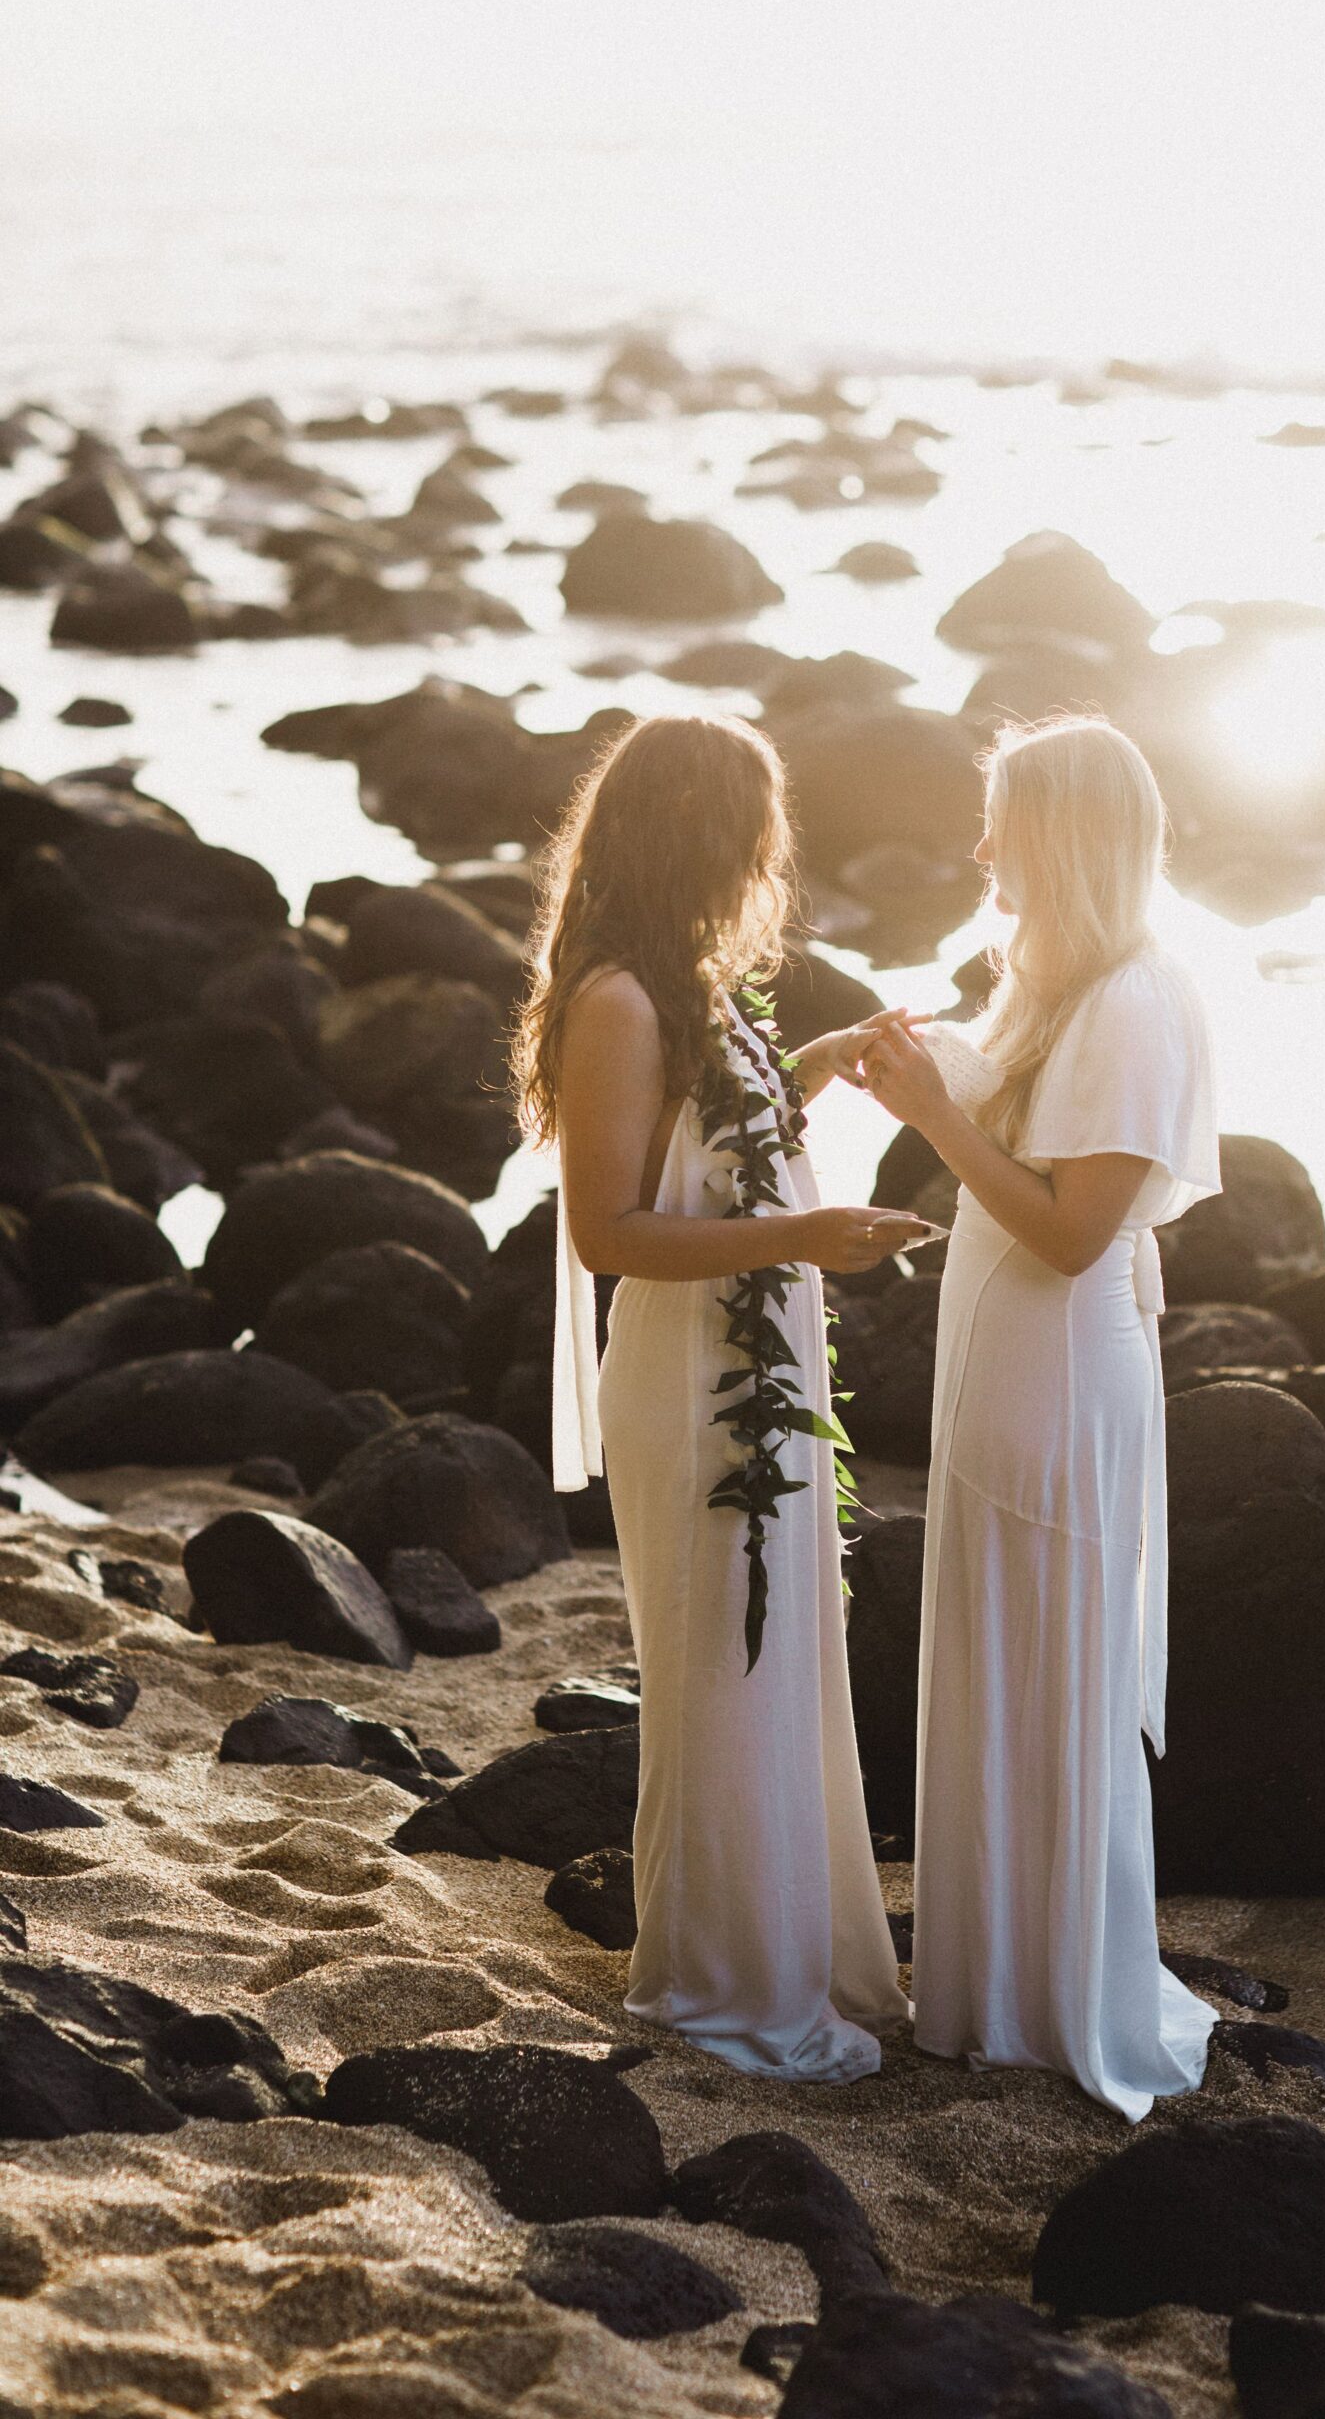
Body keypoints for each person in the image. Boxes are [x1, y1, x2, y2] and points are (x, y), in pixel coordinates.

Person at [513, 708, 926, 2083]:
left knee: (777, 1654)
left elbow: (715, 1152)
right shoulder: (620, 1000)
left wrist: (817, 1066)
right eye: (755, 820)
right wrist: (804, 1241)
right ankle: (718, 1986)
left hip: (757, 1367)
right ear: (699, 829)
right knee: (725, 1668)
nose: (772, 848)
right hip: (694, 1385)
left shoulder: (690, 987)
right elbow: (613, 1233)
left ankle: (783, 1948)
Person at [861, 713, 1222, 2119]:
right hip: (1020, 1364)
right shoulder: (1063, 986)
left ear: (1060, 833)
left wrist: (935, 1122)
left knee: (1045, 1677)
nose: (978, 846)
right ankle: (991, 1990)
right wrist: (933, 1059)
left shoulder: (1136, 1000)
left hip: (1060, 1377)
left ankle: (1052, 2000)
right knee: (999, 1666)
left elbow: (1074, 1232)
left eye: (1000, 818)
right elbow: (1040, 1133)